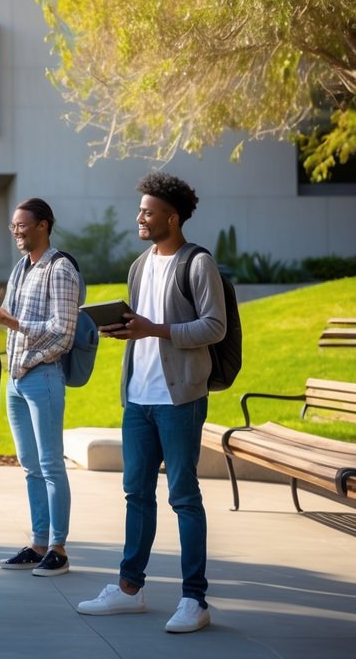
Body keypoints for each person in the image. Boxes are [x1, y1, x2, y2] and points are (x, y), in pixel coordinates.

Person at [77, 173, 224, 634]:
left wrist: (154, 329)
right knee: (136, 495)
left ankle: (194, 599)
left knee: (183, 497)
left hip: (179, 398)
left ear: (172, 217)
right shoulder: (140, 265)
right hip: (138, 398)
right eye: (140, 210)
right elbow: (140, 325)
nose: (139, 217)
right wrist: (123, 329)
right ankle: (129, 589)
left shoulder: (198, 264)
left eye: (147, 211)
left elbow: (214, 326)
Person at [0, 198, 82, 577]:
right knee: (30, 466)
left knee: (50, 464)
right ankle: (39, 542)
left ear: (44, 225)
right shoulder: (21, 268)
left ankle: (58, 548)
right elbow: (10, 319)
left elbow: (64, 331)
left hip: (42, 375)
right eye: (12, 225)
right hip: (15, 378)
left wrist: (17, 328)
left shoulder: (59, 269)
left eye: (22, 225)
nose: (16, 231)